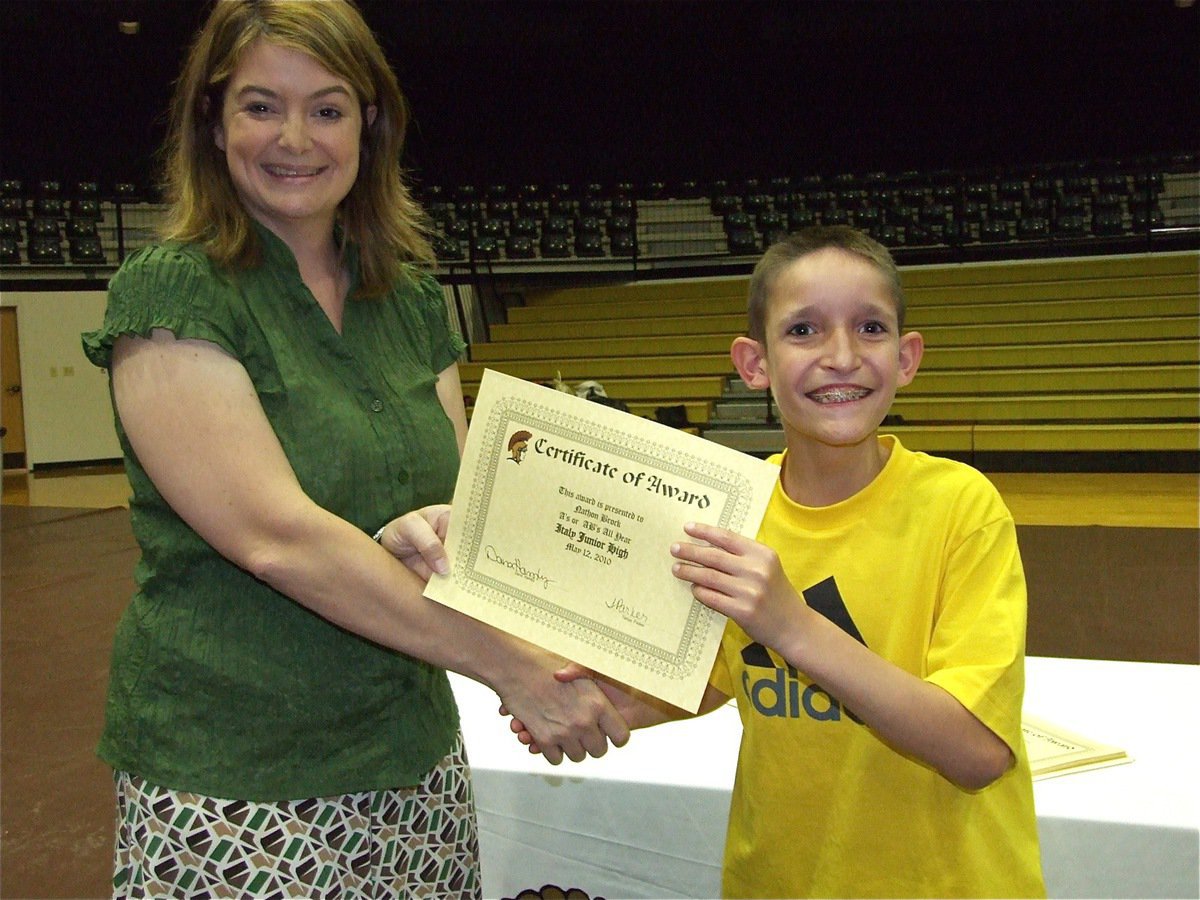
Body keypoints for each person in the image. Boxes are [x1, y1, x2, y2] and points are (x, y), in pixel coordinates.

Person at [81, 2, 626, 896]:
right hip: (238, 776)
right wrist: (516, 670)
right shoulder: (174, 289)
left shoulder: (408, 299)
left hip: (411, 755)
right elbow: (276, 536)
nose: (295, 137)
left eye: (327, 109)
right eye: (261, 106)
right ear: (213, 123)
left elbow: (465, 514)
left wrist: (434, 527)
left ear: (369, 128)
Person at [513, 226, 1046, 898]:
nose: (842, 356)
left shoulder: (961, 509)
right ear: (753, 364)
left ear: (907, 357)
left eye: (870, 327)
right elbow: (709, 676)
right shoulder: (730, 512)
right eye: (804, 331)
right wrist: (600, 697)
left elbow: (977, 751)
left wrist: (792, 626)